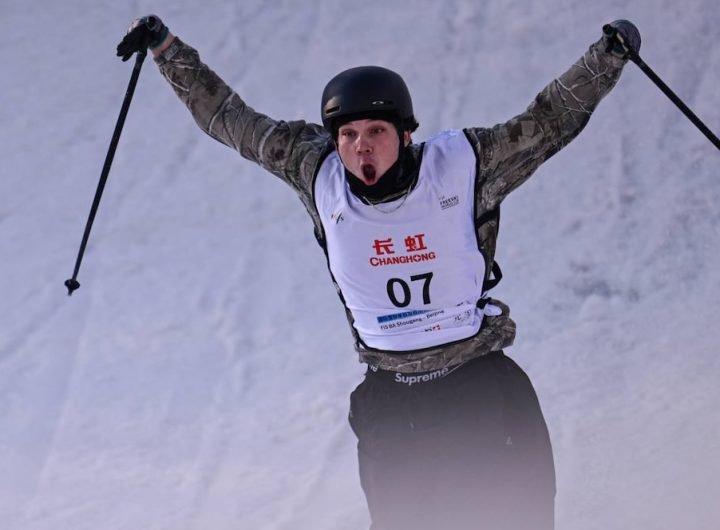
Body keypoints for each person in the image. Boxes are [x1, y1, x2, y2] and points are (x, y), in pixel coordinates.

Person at [117, 15, 640, 530]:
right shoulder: (316, 173)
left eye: (376, 131)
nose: (361, 146)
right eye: (347, 134)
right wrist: (167, 51)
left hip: (480, 392)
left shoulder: (466, 166)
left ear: (406, 134)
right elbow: (230, 119)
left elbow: (549, 120)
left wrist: (607, 57)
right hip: (393, 406)